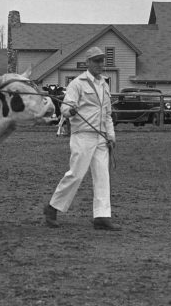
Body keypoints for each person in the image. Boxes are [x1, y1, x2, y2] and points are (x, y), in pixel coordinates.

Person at [43, 46, 119, 231]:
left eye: (102, 61)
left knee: (102, 176)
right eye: (96, 61)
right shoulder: (77, 83)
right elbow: (65, 109)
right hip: (82, 135)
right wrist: (71, 110)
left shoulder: (105, 85)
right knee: (76, 174)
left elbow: (108, 114)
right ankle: (52, 208)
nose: (101, 64)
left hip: (101, 137)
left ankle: (102, 216)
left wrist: (111, 135)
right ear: (88, 63)